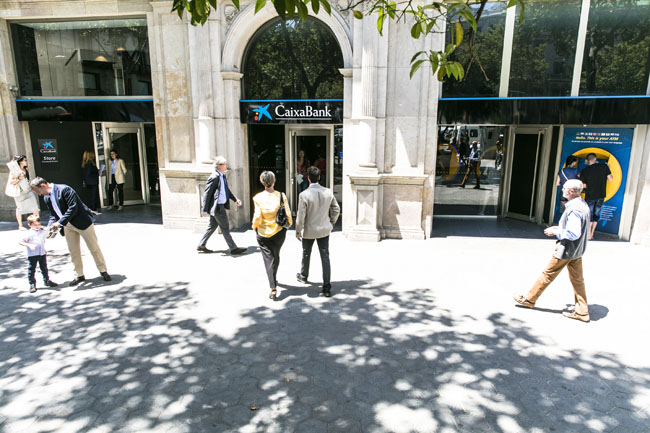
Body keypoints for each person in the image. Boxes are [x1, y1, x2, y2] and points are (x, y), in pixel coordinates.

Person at [514, 179, 591, 322]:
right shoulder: (582, 204)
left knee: (548, 273)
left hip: (567, 249)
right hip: (577, 250)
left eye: (565, 188)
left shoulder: (574, 209)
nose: (562, 190)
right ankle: (582, 311)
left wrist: (556, 231)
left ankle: (530, 299)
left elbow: (574, 233)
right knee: (578, 280)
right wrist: (560, 229)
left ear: (572, 191)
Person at [30, 177, 111, 286]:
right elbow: (53, 215)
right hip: (67, 225)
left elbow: (73, 207)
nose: (39, 194)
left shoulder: (64, 189)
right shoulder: (46, 198)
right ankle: (79, 275)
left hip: (83, 222)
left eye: (37, 191)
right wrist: (49, 227)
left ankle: (103, 271)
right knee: (73, 251)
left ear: (43, 186)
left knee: (94, 248)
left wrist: (60, 222)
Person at [295, 166, 340, 297]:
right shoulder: (328, 192)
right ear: (319, 177)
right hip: (324, 229)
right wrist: (331, 223)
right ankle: (326, 286)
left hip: (309, 230)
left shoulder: (304, 195)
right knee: (325, 256)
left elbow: (301, 216)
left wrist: (298, 230)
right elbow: (336, 209)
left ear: (308, 178)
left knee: (306, 253)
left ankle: (304, 275)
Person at [252, 171, 292, 300]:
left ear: (262, 182)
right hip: (278, 231)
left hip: (263, 233)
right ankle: (274, 279)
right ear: (273, 181)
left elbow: (257, 216)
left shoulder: (257, 198)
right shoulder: (281, 195)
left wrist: (254, 226)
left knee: (268, 259)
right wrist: (289, 225)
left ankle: (273, 287)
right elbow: (288, 213)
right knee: (275, 255)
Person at [197, 156, 246, 255]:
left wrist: (235, 199)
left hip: (219, 206)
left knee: (212, 226)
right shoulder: (214, 177)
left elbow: (226, 191)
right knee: (225, 227)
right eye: (224, 164)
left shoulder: (222, 176)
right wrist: (204, 210)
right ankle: (233, 248)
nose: (226, 166)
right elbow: (207, 194)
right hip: (218, 207)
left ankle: (201, 245)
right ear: (219, 166)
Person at [19, 214, 58, 293]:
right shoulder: (29, 233)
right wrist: (29, 245)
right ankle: (32, 284)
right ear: (30, 225)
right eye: (35, 225)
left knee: (44, 268)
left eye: (38, 224)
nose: (37, 226)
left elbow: (46, 239)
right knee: (31, 269)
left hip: (42, 253)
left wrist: (44, 248)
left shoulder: (41, 232)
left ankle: (46, 280)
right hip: (33, 254)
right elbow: (20, 241)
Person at [579, 153, 613, 240]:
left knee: (589, 214)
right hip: (601, 195)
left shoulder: (584, 171)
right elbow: (610, 179)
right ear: (595, 159)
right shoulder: (604, 167)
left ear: (587, 161)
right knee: (596, 214)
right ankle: (592, 233)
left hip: (590, 195)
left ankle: (588, 234)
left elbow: (584, 185)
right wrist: (608, 168)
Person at [6, 155, 39, 230]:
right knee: (20, 208)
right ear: (20, 162)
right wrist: (19, 178)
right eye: (24, 160)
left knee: (35, 207)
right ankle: (20, 226)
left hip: (28, 190)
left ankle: (37, 223)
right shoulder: (14, 171)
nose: (26, 161)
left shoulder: (26, 169)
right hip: (20, 192)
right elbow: (11, 182)